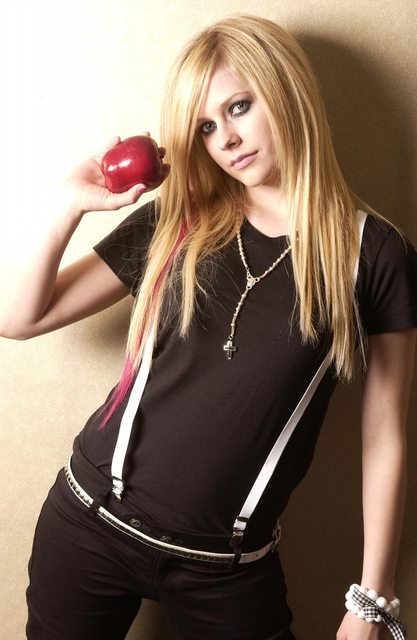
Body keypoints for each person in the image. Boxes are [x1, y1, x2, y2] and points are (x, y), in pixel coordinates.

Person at [1, 14, 416, 640]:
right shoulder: (179, 219)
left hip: (226, 570)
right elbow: (19, 318)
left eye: (239, 106)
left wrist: (372, 602)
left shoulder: (373, 256)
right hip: (89, 525)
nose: (227, 139)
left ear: (284, 91)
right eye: (205, 126)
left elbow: (384, 438)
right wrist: (70, 203)